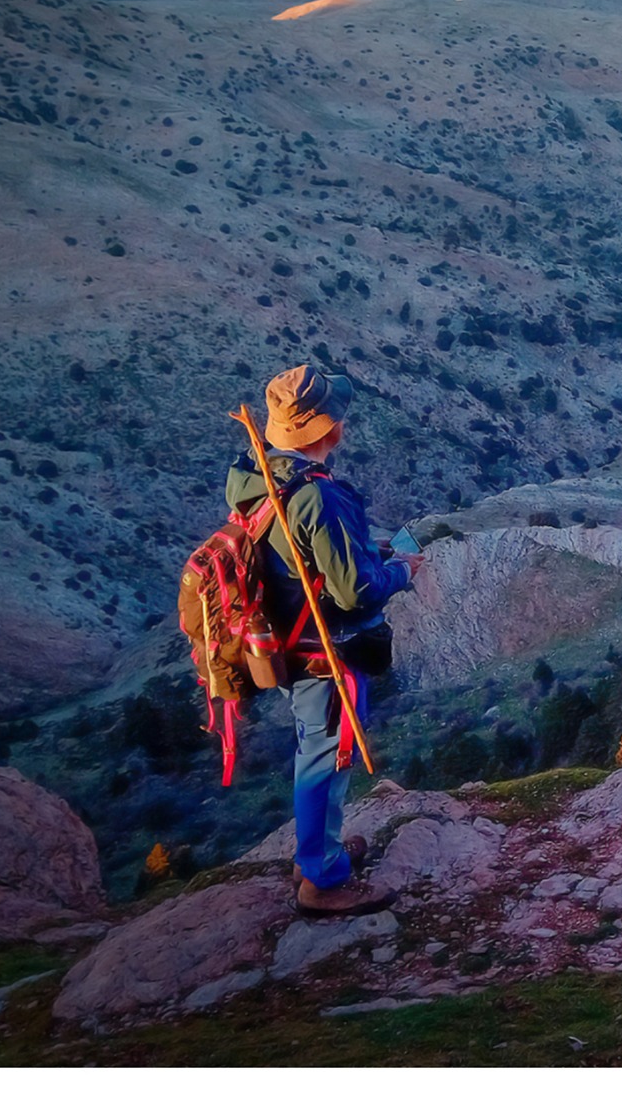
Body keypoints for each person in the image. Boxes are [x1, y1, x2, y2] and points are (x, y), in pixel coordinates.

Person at [227, 365, 420, 916]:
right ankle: (322, 878)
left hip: (284, 640)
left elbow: (301, 560)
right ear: (330, 429)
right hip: (325, 651)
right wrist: (403, 571)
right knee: (325, 756)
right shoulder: (317, 496)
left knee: (314, 748)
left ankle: (317, 852)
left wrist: (369, 554)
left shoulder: (253, 473)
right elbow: (358, 591)